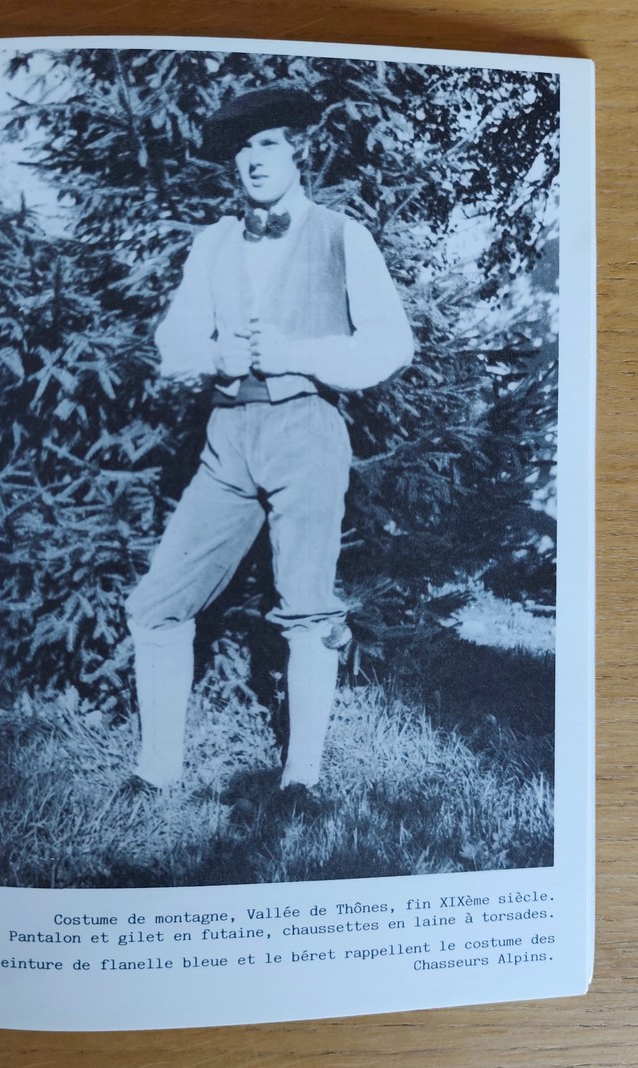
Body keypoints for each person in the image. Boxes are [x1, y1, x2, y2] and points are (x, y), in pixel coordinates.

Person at [125, 86, 414, 798]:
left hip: (305, 430)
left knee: (308, 605)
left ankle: (300, 782)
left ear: (299, 152)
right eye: (242, 149)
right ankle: (156, 772)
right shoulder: (213, 243)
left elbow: (392, 344)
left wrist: (304, 352)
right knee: (156, 603)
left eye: (269, 144)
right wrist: (211, 353)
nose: (254, 161)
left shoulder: (343, 235)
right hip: (227, 438)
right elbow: (171, 342)